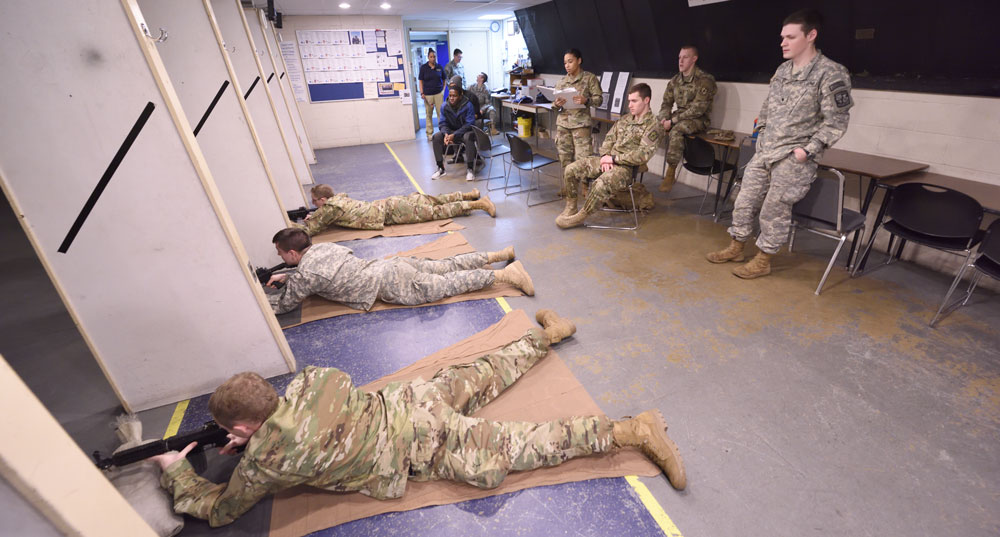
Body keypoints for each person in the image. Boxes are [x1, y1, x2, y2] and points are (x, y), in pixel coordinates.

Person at [152, 310, 687, 527]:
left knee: (521, 445)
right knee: (483, 371)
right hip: (411, 400)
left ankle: (631, 430)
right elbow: (297, 423)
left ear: (242, 430)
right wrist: (253, 437)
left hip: (421, 444)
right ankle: (545, 334)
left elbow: (220, 510)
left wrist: (176, 469)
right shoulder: (312, 380)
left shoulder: (265, 463)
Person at [706, 9, 852, 279]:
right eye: (782, 37)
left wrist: (808, 149)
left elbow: (837, 121)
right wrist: (760, 132)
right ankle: (736, 246)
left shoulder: (830, 73)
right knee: (744, 200)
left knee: (775, 208)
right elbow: (768, 107)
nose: (783, 42)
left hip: (793, 156)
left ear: (811, 36)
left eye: (790, 37)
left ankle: (763, 259)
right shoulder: (783, 70)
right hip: (766, 150)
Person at [264, 227, 534, 314]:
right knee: (445, 265)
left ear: (291, 254)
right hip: (390, 265)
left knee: (448, 283)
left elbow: (286, 303)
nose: (281, 259)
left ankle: (505, 275)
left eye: (281, 254)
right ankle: (499, 254)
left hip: (389, 284)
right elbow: (316, 273)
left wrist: (263, 300)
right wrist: (288, 275)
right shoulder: (324, 247)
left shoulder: (306, 275)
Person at [555, 83, 664, 228]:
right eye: (629, 101)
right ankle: (571, 207)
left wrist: (614, 159)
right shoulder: (625, 119)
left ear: (646, 100)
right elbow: (609, 139)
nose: (630, 105)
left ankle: (581, 216)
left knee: (600, 184)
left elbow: (642, 155)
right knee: (571, 169)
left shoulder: (653, 125)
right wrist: (606, 156)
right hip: (608, 159)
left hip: (626, 168)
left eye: (634, 101)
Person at [297, 184, 495, 236]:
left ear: (323, 200)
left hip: (391, 213)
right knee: (432, 200)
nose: (314, 205)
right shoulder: (338, 199)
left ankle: (478, 204)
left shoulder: (329, 209)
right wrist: (316, 214)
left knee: (436, 212)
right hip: (390, 203)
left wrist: (299, 222)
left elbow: (311, 229)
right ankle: (469, 194)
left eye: (315, 202)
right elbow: (323, 215)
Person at [657, 45, 717, 193]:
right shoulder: (675, 81)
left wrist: (673, 122)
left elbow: (698, 109)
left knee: (677, 130)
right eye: (679, 57)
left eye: (685, 57)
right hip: (678, 117)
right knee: (653, 124)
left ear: (694, 59)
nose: (680, 61)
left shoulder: (705, 80)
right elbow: (666, 104)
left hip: (698, 120)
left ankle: (670, 172)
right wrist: (663, 119)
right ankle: (640, 161)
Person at [553, 49, 603, 188]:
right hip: (563, 124)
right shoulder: (562, 82)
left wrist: (586, 100)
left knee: (583, 159)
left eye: (570, 61)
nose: (567, 65)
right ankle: (569, 187)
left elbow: (599, 100)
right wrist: (556, 104)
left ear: (579, 60)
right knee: (565, 157)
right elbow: (554, 104)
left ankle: (585, 187)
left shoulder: (589, 78)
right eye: (565, 63)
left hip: (580, 125)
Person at [431, 85, 477, 181]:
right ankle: (441, 168)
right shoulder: (444, 106)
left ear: (460, 95)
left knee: (469, 137)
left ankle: (470, 169)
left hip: (464, 132)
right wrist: (445, 134)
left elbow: (469, 124)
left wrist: (455, 135)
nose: (451, 98)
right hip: (451, 133)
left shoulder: (468, 105)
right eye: (450, 95)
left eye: (454, 96)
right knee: (436, 137)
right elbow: (442, 123)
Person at [418, 49, 446, 142]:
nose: (433, 58)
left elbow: (444, 80)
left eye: (434, 57)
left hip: (438, 94)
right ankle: (429, 134)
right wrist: (422, 93)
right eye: (431, 57)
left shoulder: (439, 67)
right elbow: (421, 81)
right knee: (428, 114)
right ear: (428, 57)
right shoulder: (423, 68)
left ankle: (442, 132)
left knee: (440, 114)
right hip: (428, 95)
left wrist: (443, 91)